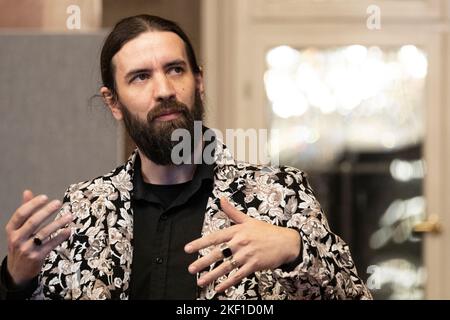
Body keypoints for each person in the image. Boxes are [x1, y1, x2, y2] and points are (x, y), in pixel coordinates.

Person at [0, 14, 372, 300]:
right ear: (113, 102)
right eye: (140, 77)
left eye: (175, 70)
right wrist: (15, 279)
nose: (164, 90)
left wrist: (296, 250)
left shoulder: (279, 195)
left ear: (199, 81)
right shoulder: (80, 213)